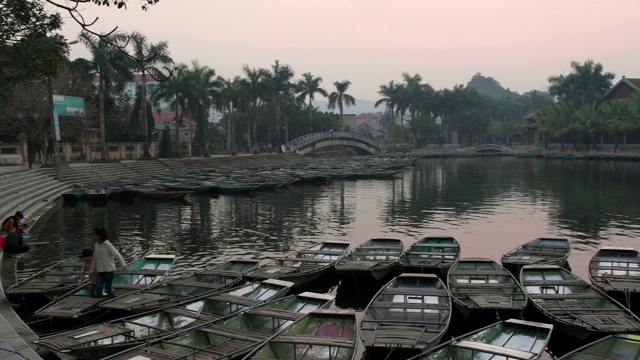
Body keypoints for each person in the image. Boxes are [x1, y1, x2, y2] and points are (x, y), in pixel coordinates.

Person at [89, 226, 128, 298]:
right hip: (100, 271)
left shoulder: (107, 244)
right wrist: (92, 270)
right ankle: (98, 302)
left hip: (109, 270)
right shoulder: (96, 245)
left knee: (107, 289)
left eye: (94, 235)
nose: (93, 236)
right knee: (98, 288)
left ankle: (114, 299)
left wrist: (124, 266)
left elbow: (117, 255)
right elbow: (95, 259)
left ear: (99, 236)